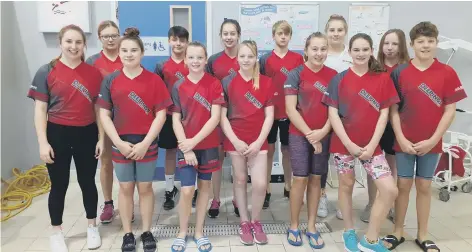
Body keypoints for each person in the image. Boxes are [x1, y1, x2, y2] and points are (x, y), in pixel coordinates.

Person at [383, 22, 467, 252]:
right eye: (421, 41)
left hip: (431, 143)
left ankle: (423, 234)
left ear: (436, 44)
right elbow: (392, 109)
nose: (426, 45)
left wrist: (433, 140)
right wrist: (400, 137)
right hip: (404, 142)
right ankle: (397, 231)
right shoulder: (400, 72)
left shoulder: (447, 73)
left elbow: (450, 110)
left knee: (423, 186)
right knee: (403, 184)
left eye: (430, 41)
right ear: (412, 45)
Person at [27, 24, 103, 252]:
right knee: (58, 185)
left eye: (78, 42)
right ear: (60, 43)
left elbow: (98, 109)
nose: (73, 46)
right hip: (57, 133)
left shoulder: (93, 73)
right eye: (69, 41)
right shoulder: (46, 71)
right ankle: (56, 231)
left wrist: (100, 138)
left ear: (84, 45)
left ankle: (92, 226)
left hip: (87, 133)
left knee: (87, 182)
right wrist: (43, 142)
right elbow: (40, 111)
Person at [323, 33, 399, 252]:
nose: (360, 53)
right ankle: (348, 232)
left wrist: (372, 144)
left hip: (372, 146)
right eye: (356, 50)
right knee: (346, 185)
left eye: (365, 49)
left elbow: (384, 115)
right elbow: (333, 114)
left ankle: (370, 239)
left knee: (389, 190)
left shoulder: (382, 78)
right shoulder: (339, 79)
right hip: (343, 144)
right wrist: (349, 144)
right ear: (349, 52)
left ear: (371, 51)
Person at [97, 27, 171, 252]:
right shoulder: (110, 81)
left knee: (146, 188)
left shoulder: (154, 80)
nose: (129, 54)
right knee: (126, 188)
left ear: (142, 53)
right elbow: (104, 114)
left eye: (134, 50)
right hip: (121, 143)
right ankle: (128, 233)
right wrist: (117, 143)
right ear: (119, 53)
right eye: (125, 50)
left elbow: (161, 114)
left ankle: (147, 231)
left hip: (146, 142)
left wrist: (146, 142)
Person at [284, 32, 337, 248]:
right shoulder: (295, 74)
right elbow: (290, 109)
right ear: (306, 50)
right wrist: (309, 134)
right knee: (300, 179)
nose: (319, 53)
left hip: (323, 134)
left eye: (323, 49)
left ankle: (312, 226)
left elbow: (335, 110)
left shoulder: (334, 76)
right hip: (299, 135)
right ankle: (294, 225)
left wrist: (322, 132)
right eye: (314, 49)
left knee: (316, 179)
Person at [170, 41, 224, 252]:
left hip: (208, 146)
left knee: (204, 188)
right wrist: (187, 146)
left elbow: (215, 117)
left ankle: (199, 231)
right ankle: (182, 232)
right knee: (186, 190)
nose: (195, 61)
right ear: (185, 60)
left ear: (205, 59)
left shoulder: (214, 84)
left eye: (199, 57)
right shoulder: (178, 86)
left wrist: (195, 142)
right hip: (186, 147)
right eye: (191, 57)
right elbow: (175, 119)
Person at [221, 40, 274, 245]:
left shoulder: (266, 82)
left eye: (250, 56)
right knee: (240, 180)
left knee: (260, 184)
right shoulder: (227, 82)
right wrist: (235, 141)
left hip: (258, 140)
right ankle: (244, 221)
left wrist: (260, 141)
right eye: (242, 56)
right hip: (236, 139)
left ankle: (256, 220)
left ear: (256, 58)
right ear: (237, 58)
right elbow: (222, 116)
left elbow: (269, 116)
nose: (246, 60)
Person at [361, 29, 410, 223]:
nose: (389, 48)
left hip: (396, 124)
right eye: (386, 44)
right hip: (374, 124)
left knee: (391, 166)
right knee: (374, 166)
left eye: (394, 44)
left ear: (402, 46)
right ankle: (372, 202)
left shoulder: (406, 69)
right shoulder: (374, 67)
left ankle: (389, 204)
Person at [259, 20, 304, 208]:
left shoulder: (297, 59)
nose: (283, 37)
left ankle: (288, 185)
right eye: (279, 33)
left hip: (290, 111)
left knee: (287, 150)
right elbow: (260, 84)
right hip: (270, 111)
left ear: (290, 36)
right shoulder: (265, 60)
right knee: (268, 151)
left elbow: (302, 84)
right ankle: (267, 189)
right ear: (273, 36)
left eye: (286, 34)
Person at [86, 20, 123, 224]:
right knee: (106, 162)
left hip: (126, 119)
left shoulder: (126, 56)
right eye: (106, 36)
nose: (110, 39)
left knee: (126, 164)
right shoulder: (92, 62)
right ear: (99, 38)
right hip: (101, 119)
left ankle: (126, 203)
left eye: (114, 35)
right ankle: (108, 203)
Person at [204, 18, 241, 218]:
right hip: (218, 117)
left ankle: (237, 198)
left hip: (240, 118)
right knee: (216, 160)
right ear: (220, 37)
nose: (229, 37)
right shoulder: (213, 61)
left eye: (232, 33)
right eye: (225, 34)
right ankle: (215, 198)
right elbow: (208, 87)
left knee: (238, 161)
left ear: (238, 35)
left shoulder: (245, 57)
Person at [318, 14, 352, 219]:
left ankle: (343, 201)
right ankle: (322, 197)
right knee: (321, 162)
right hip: (322, 117)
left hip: (346, 118)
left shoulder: (352, 56)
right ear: (326, 31)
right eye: (332, 30)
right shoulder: (320, 55)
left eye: (340, 30)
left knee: (343, 164)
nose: (336, 33)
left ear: (345, 32)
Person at [154, 26, 190, 211]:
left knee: (190, 152)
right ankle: (169, 189)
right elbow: (158, 92)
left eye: (182, 40)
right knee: (170, 153)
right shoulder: (162, 66)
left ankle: (191, 188)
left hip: (190, 117)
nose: (178, 43)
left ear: (187, 43)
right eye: (175, 39)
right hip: (169, 116)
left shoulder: (192, 63)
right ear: (169, 41)